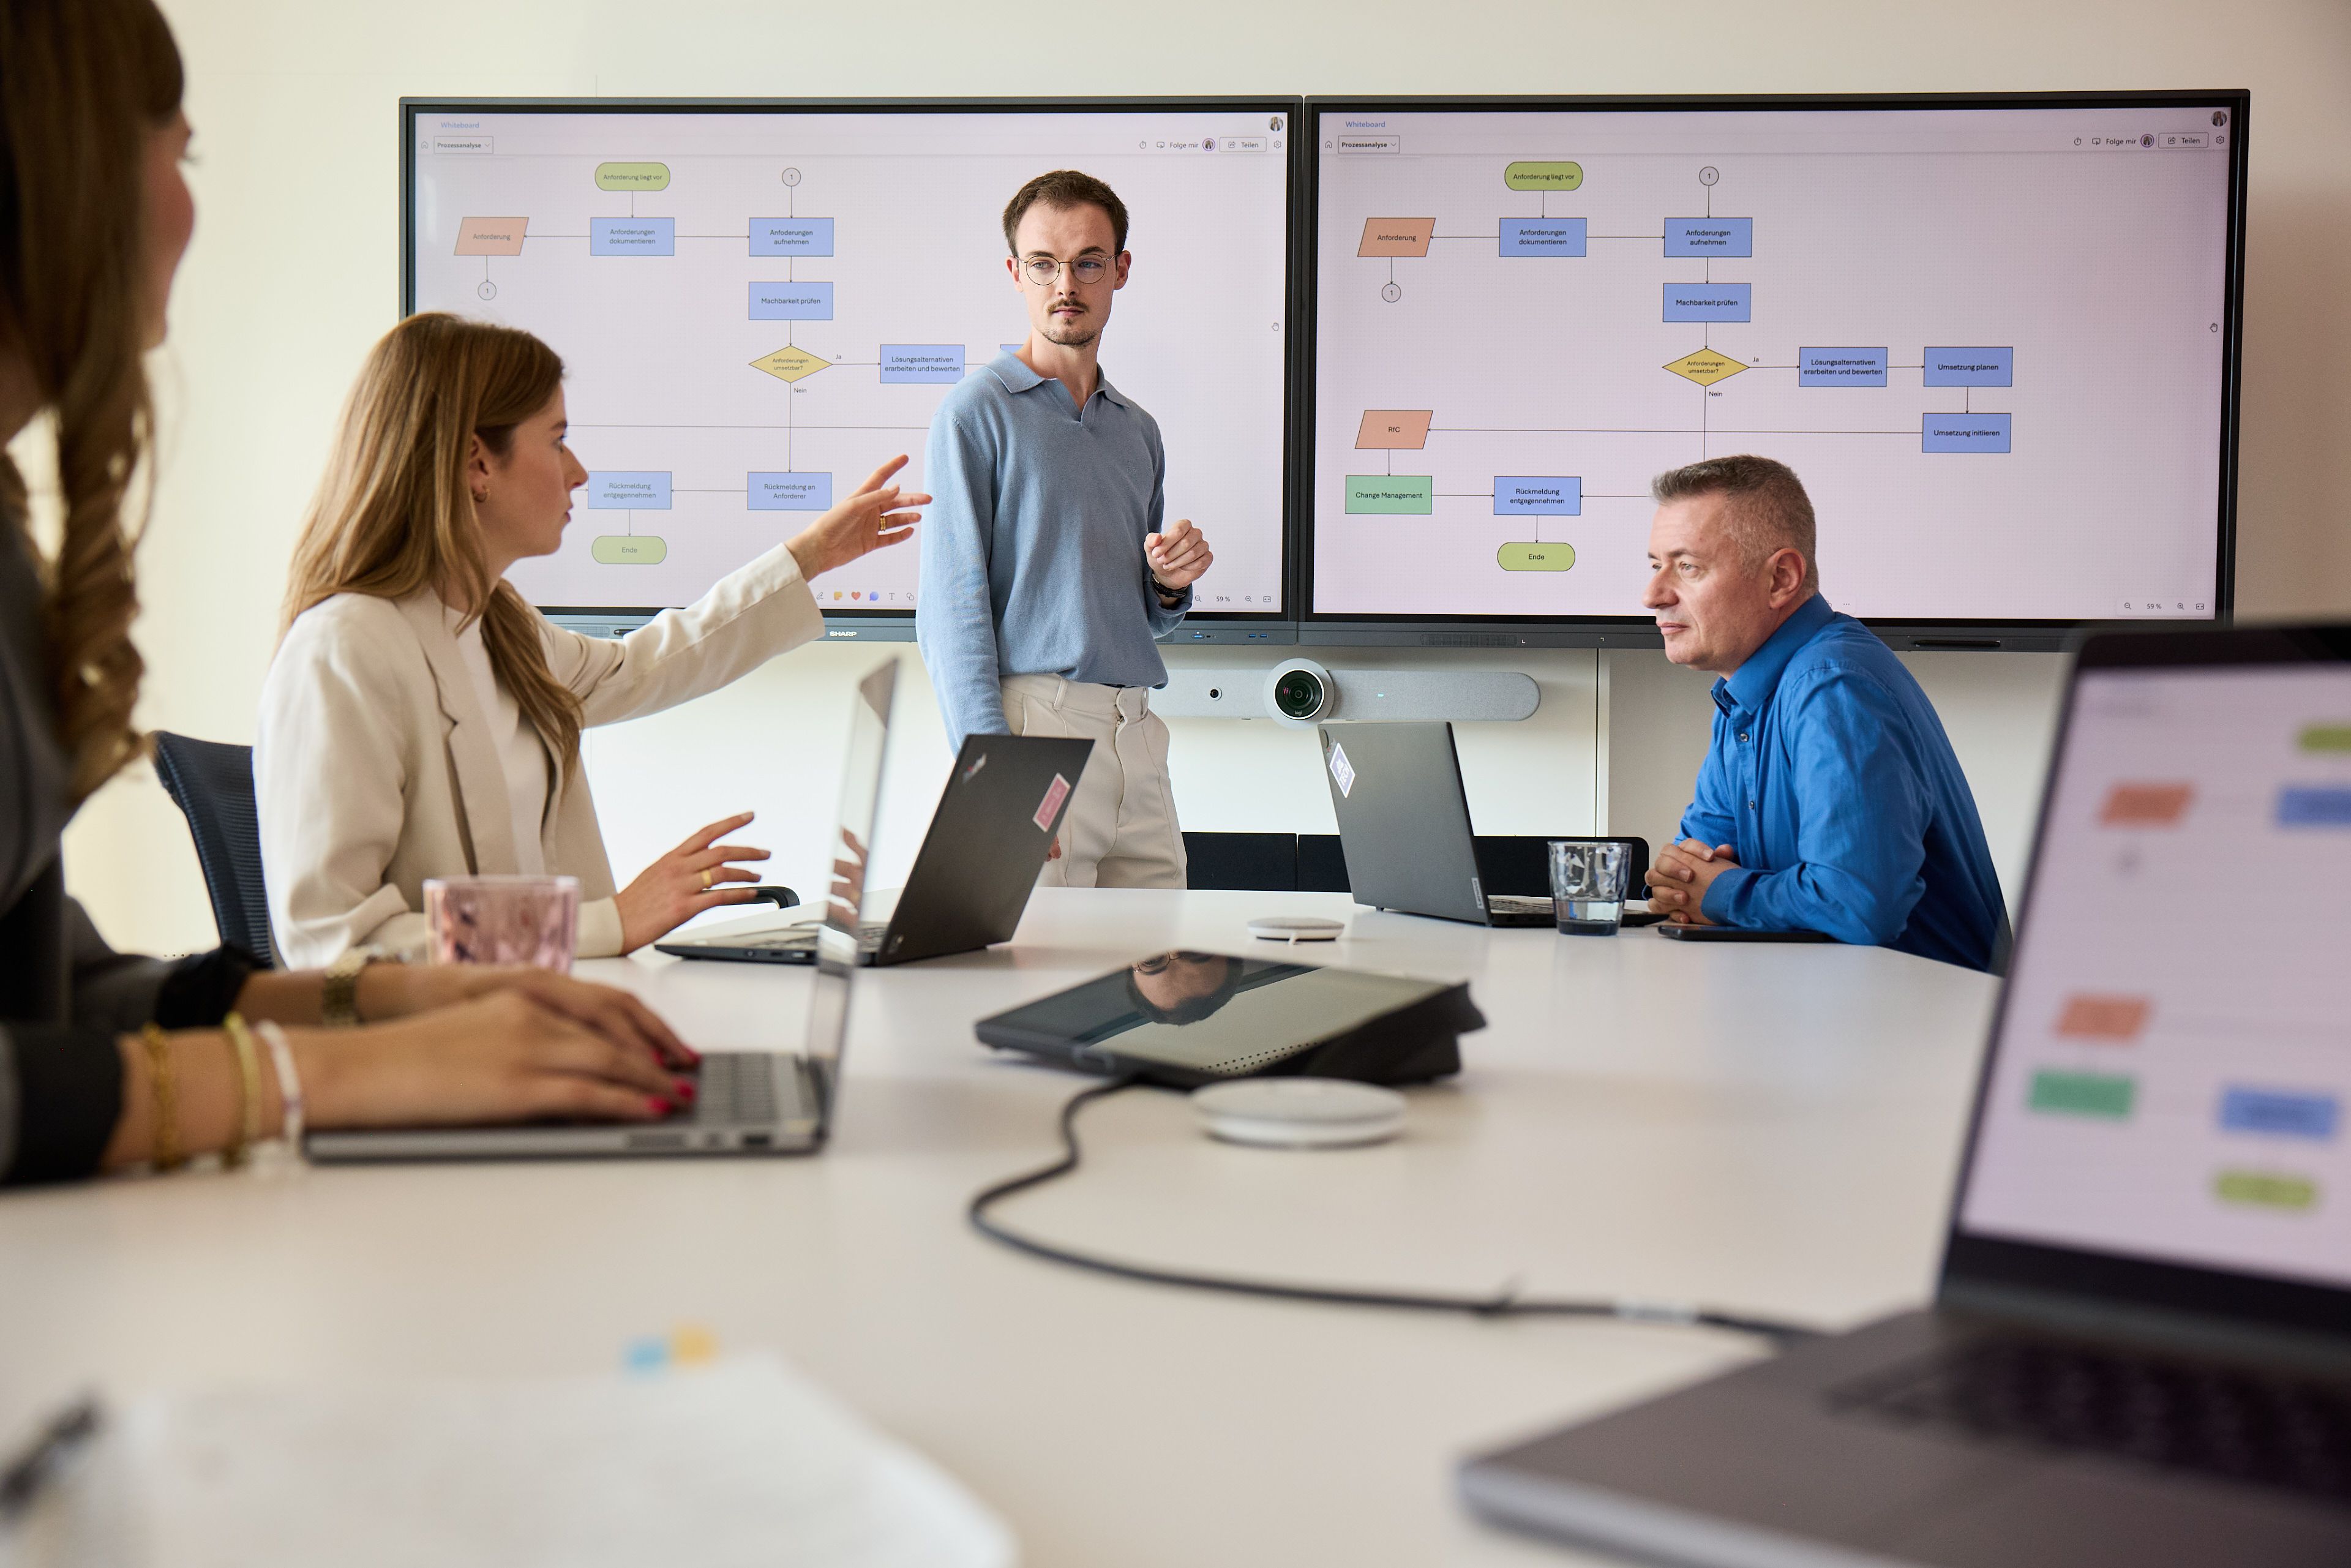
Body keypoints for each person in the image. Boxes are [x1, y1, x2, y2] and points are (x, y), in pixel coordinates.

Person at [1, 0, 705, 1187]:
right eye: (181, 154)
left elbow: (53, 986)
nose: (188, 206)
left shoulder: (16, 546)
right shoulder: (349, 646)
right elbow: (329, 931)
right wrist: (325, 1068)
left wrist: (430, 1003)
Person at [257, 313, 927, 966]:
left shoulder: (495, 623)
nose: (577, 472)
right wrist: (606, 922)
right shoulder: (345, 651)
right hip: (460, 1051)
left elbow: (640, 667)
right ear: (476, 463)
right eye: (556, 440)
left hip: (550, 1014)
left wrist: (809, 556)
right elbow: (336, 944)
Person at [917, 170, 1212, 890]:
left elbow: (1145, 619)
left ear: (1120, 270)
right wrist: (990, 774)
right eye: (1044, 265)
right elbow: (951, 612)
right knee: (1037, 979)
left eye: (1087, 262)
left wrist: (1168, 588)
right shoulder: (975, 412)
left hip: (1136, 733)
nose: (1065, 285)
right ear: (1016, 273)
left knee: (1153, 972)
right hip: (1033, 729)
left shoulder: (1137, 429)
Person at [1637, 455, 2007, 972]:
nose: (1653, 595)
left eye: (1688, 567)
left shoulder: (1833, 686)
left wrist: (1724, 895)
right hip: (1832, 1011)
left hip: (1925, 1029)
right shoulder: (1742, 693)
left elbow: (1856, 906)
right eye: (1656, 565)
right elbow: (1686, 878)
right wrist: (1698, 887)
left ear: (1782, 578)